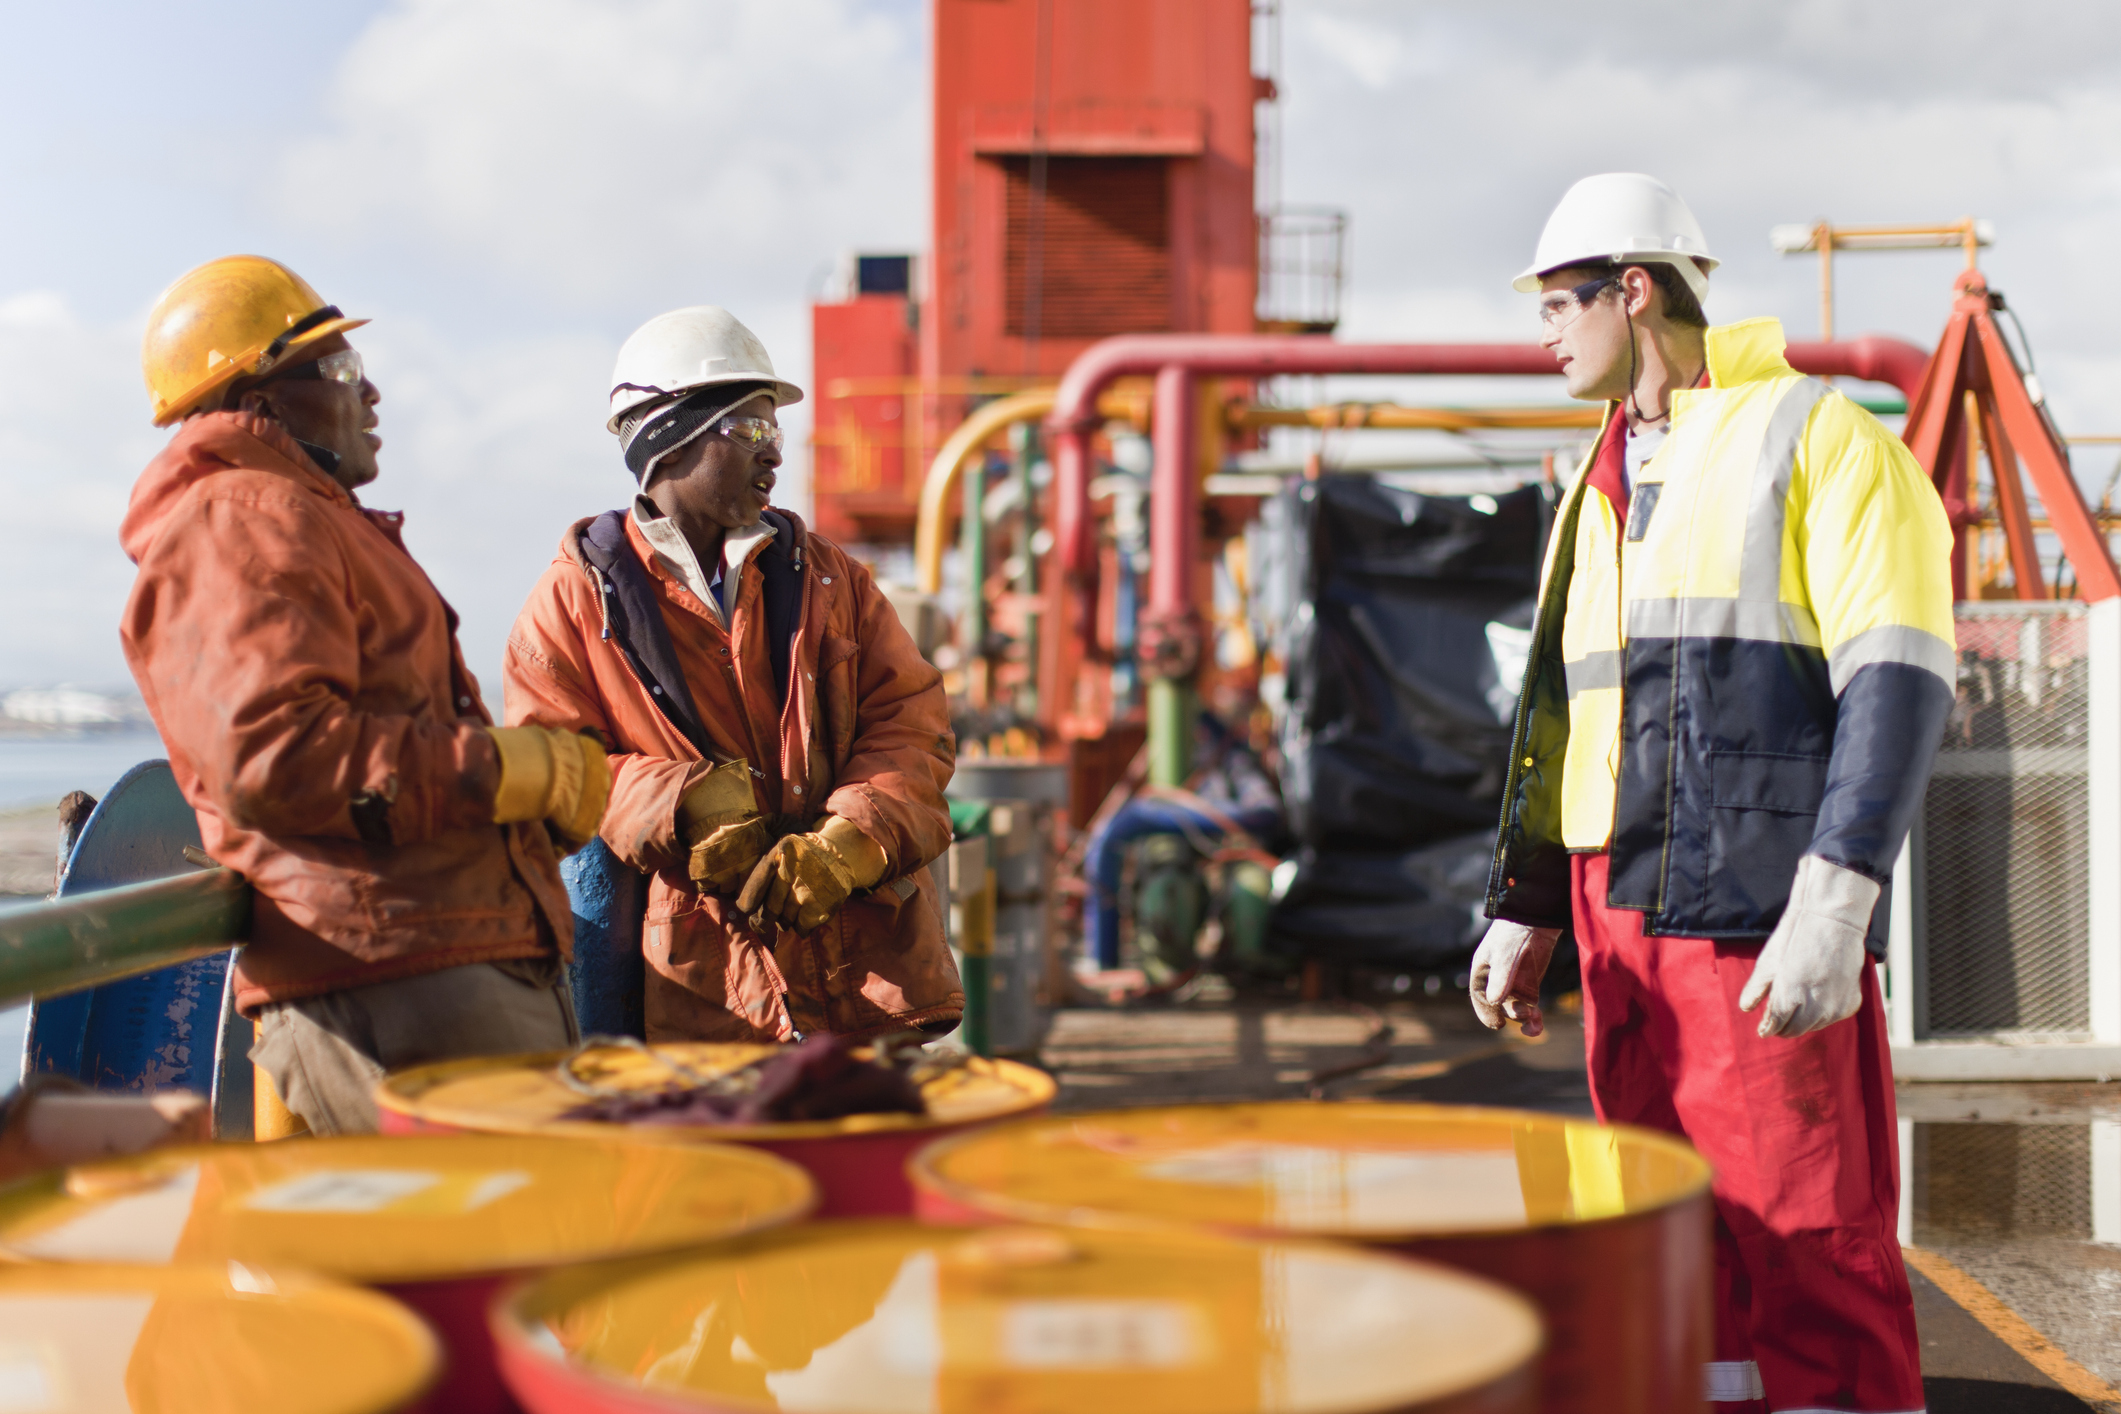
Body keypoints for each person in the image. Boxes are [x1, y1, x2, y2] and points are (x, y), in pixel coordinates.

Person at [1474, 175, 1953, 1413]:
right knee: (1669, 1237)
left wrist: (1838, 897)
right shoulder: (1597, 482)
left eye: (1561, 301)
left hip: (1752, 906)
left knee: (1807, 1234)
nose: (1544, 329)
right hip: (1615, 920)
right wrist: (1529, 900)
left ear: (1635, 290)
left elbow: (1897, 681)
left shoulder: (1823, 438)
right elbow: (1566, 711)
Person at [121, 255, 610, 1135]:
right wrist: (504, 774)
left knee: (533, 1244)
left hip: (440, 957)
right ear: (261, 403)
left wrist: (522, 817)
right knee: (520, 1241)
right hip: (399, 974)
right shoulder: (243, 515)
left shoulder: (298, 517)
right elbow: (276, 754)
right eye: (341, 370)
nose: (371, 394)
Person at [503, 306, 960, 1042]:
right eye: (747, 430)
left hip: (856, 975)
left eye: (772, 430)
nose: (773, 453)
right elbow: (550, 763)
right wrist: (679, 803)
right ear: (669, 439)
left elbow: (912, 723)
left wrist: (851, 840)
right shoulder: (575, 598)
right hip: (708, 984)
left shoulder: (832, 580)